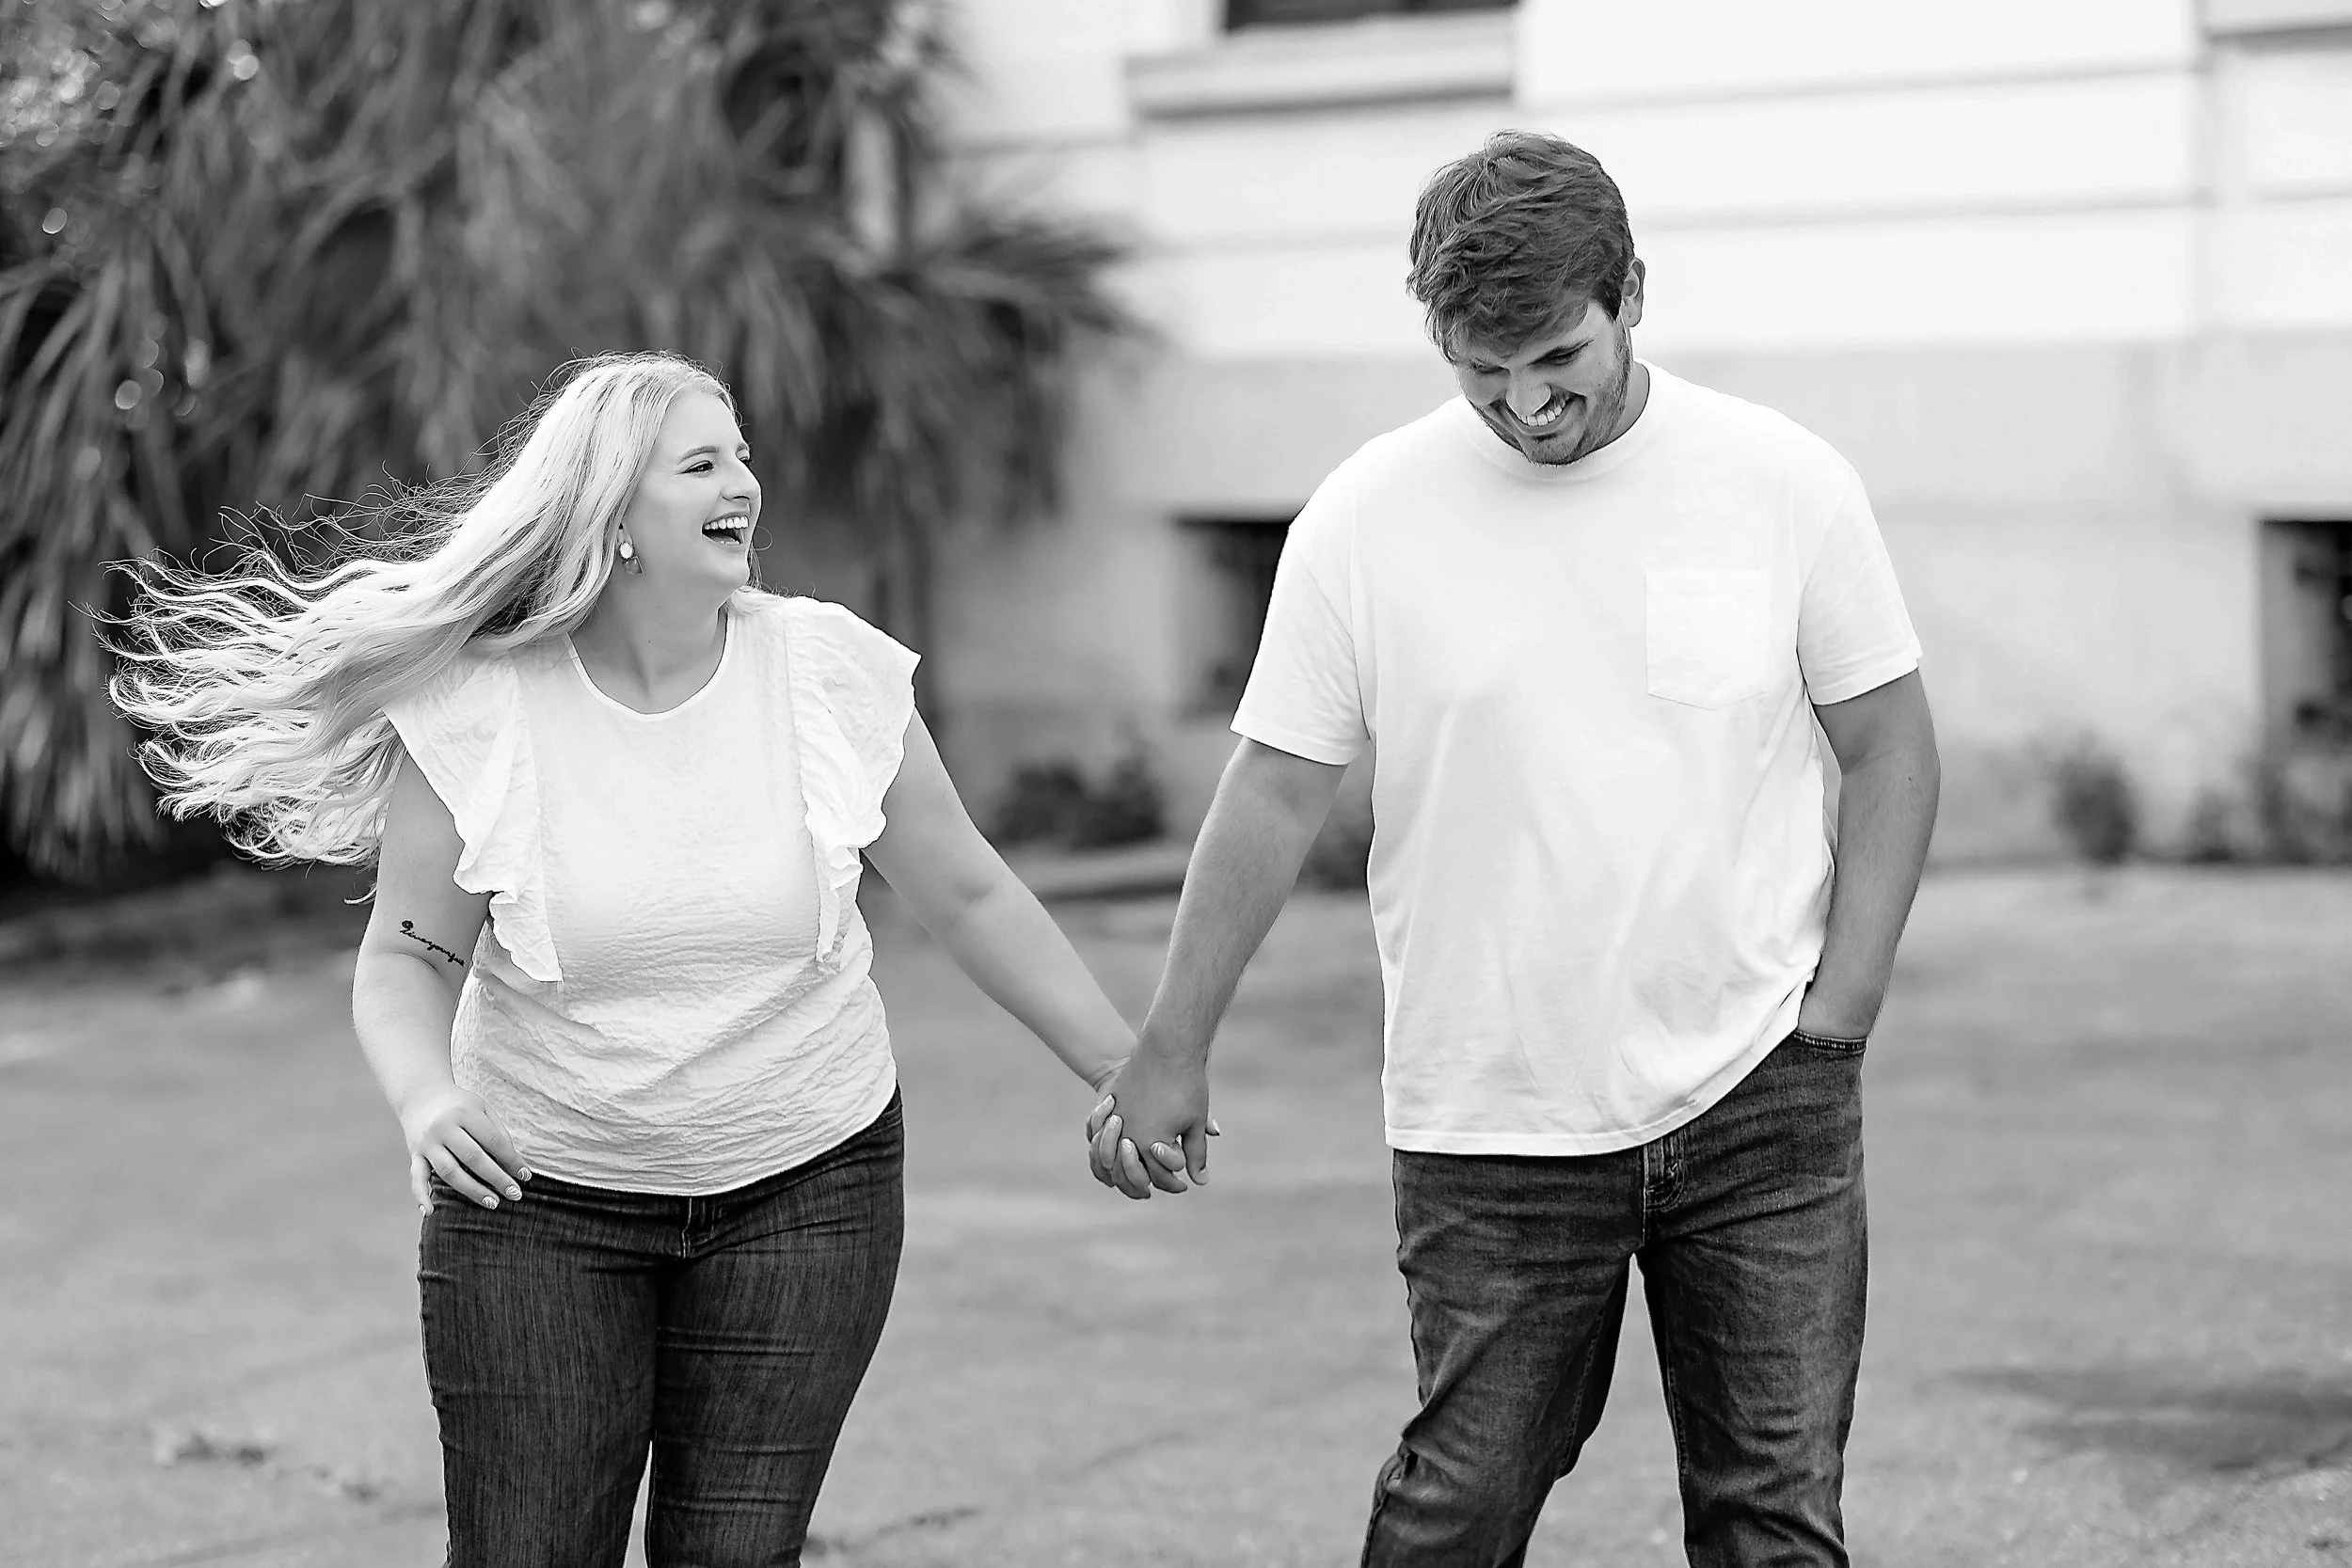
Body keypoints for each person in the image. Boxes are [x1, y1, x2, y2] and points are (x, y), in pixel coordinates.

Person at [113, 352, 1137, 1567]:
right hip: (536, 1207)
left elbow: (967, 889)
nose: (743, 482)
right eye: (702, 461)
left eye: (743, 454)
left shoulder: (829, 668)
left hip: (809, 1188)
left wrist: (1131, 1066)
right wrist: (427, 1099)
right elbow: (408, 956)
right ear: (611, 512)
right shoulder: (478, 704)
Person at [1089, 132, 1941, 1567]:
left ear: (1631, 296)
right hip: (1492, 1111)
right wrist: (1171, 1043)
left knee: (1774, 1516)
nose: (1525, 405)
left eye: (1557, 357)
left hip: (1759, 1096)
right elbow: (1275, 789)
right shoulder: (1370, 512)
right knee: (1460, 1508)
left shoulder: (1782, 482)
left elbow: (1891, 745)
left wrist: (1838, 1012)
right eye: (1481, 372)